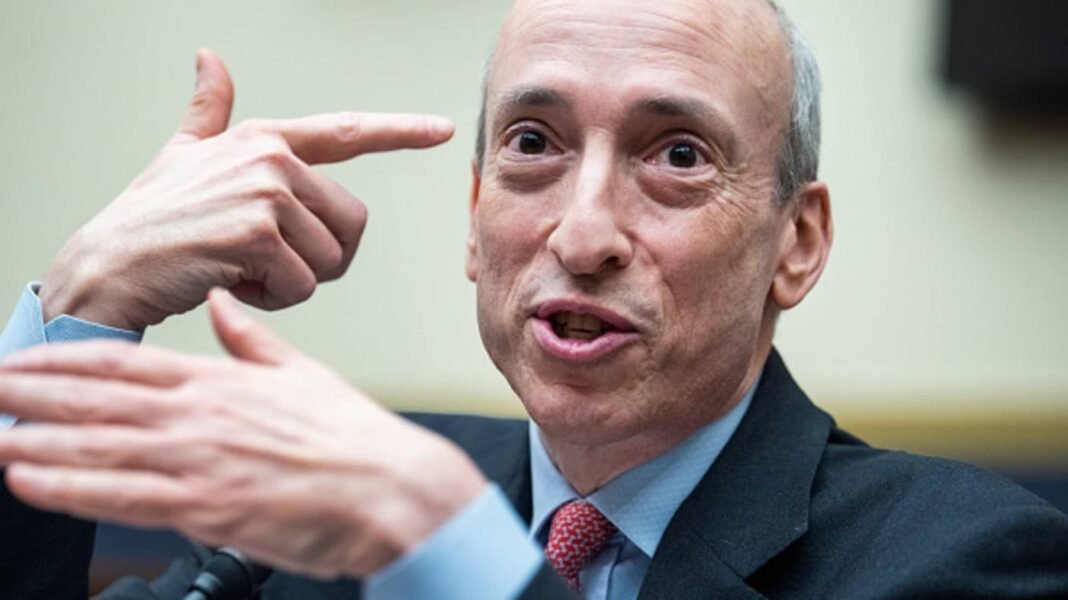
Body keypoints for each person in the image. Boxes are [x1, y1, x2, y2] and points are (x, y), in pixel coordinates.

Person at [0, 0, 1066, 598]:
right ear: (474, 219)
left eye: (678, 155)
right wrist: (85, 303)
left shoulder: (965, 559)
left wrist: (452, 554)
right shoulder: (323, 516)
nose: (584, 234)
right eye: (533, 144)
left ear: (798, 242)